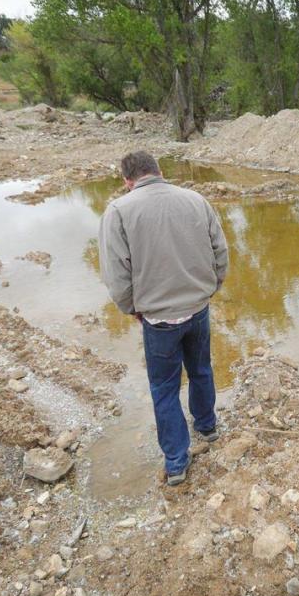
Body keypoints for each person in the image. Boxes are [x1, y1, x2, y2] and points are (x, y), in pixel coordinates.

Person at [98, 151, 229, 486]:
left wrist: (132, 308)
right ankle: (208, 426)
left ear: (127, 181)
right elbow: (220, 251)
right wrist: (211, 288)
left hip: (157, 320)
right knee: (201, 369)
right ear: (160, 171)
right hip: (198, 308)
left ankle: (176, 462)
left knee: (164, 388)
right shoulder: (196, 199)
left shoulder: (119, 211)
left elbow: (116, 273)